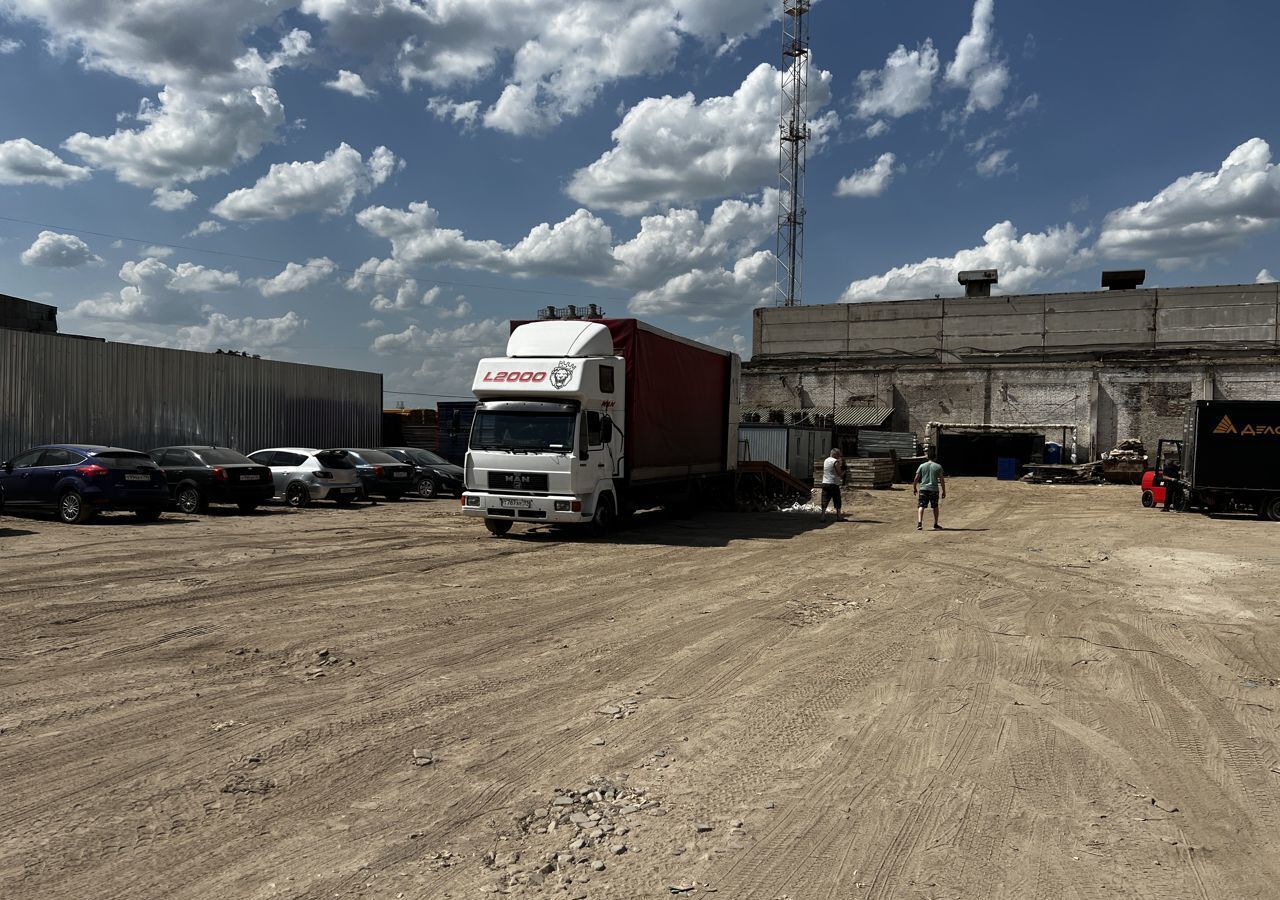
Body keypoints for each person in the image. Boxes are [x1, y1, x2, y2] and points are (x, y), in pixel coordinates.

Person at [912, 448, 946, 530]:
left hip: (923, 488)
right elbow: (942, 480)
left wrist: (914, 487)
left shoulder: (922, 466)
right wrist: (944, 491)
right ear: (935, 457)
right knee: (935, 506)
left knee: (921, 506)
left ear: (927, 457)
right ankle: (935, 523)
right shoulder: (938, 466)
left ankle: (919, 523)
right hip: (934, 489)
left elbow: (916, 478)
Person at [819, 448, 846, 522]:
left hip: (825, 482)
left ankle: (823, 516)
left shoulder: (826, 460)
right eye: (838, 454)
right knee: (837, 500)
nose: (839, 455)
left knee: (825, 500)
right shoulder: (835, 461)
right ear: (834, 454)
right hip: (833, 483)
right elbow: (839, 473)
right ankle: (839, 516)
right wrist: (843, 473)